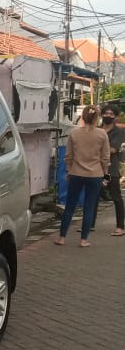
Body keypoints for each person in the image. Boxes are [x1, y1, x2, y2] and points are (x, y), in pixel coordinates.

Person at [55, 104, 110, 247]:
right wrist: (106, 176)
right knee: (89, 206)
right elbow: (105, 158)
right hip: (95, 174)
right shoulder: (102, 134)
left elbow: (68, 156)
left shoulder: (74, 133)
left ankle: (61, 238)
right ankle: (83, 239)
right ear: (97, 118)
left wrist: (68, 171)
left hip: (76, 173)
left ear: (83, 117)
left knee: (70, 206)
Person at [92, 103, 125, 236]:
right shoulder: (96, 129)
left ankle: (120, 227)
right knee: (93, 197)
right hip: (94, 168)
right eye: (106, 113)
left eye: (111, 114)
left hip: (111, 169)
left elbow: (113, 149)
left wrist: (95, 150)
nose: (108, 116)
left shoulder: (119, 132)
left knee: (116, 197)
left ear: (115, 116)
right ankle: (89, 224)